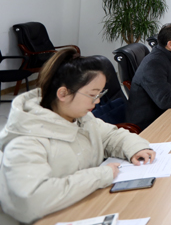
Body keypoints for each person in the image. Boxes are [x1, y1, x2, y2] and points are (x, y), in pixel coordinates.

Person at [0, 49, 156, 224]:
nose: (98, 101)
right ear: (63, 94)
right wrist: (101, 175)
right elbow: (32, 200)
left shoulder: (81, 117)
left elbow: (111, 136)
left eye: (99, 94)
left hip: (83, 206)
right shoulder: (25, 141)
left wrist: (136, 148)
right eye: (92, 95)